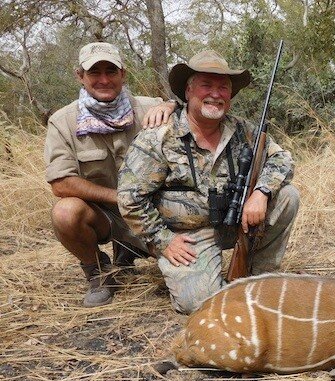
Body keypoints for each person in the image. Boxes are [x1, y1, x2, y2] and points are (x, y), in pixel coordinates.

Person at [118, 49, 299, 314]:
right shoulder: (159, 137)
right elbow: (129, 197)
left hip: (236, 223)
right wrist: (163, 240)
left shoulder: (244, 131)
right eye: (206, 85)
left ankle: (259, 277)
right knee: (202, 306)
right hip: (188, 236)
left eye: (223, 87)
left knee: (287, 196)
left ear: (230, 94)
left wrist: (261, 192)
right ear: (188, 92)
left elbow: (282, 159)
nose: (215, 93)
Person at [45, 42, 176, 307]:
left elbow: (192, 112)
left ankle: (128, 250)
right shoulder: (63, 121)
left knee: (184, 277)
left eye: (111, 71)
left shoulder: (150, 107)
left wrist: (172, 104)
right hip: (107, 214)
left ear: (123, 74)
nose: (104, 79)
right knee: (65, 213)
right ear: (80, 76)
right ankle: (98, 271)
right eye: (94, 73)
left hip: (153, 213)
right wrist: (121, 198)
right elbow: (60, 183)